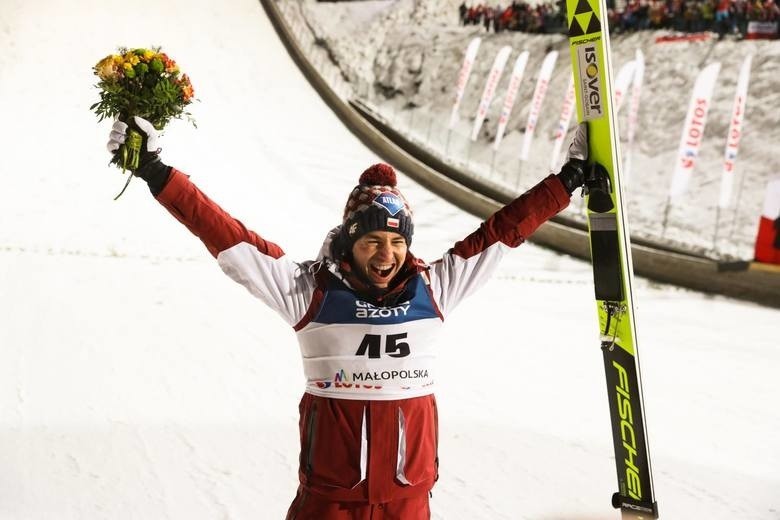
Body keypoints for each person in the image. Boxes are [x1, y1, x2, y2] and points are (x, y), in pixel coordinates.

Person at [105, 116, 590, 519]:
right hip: (330, 503)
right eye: (372, 241)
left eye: (398, 241)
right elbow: (223, 233)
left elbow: (503, 231)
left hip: (408, 500)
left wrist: (566, 182)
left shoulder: (434, 290)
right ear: (349, 243)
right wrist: (155, 171)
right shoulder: (308, 293)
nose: (387, 253)